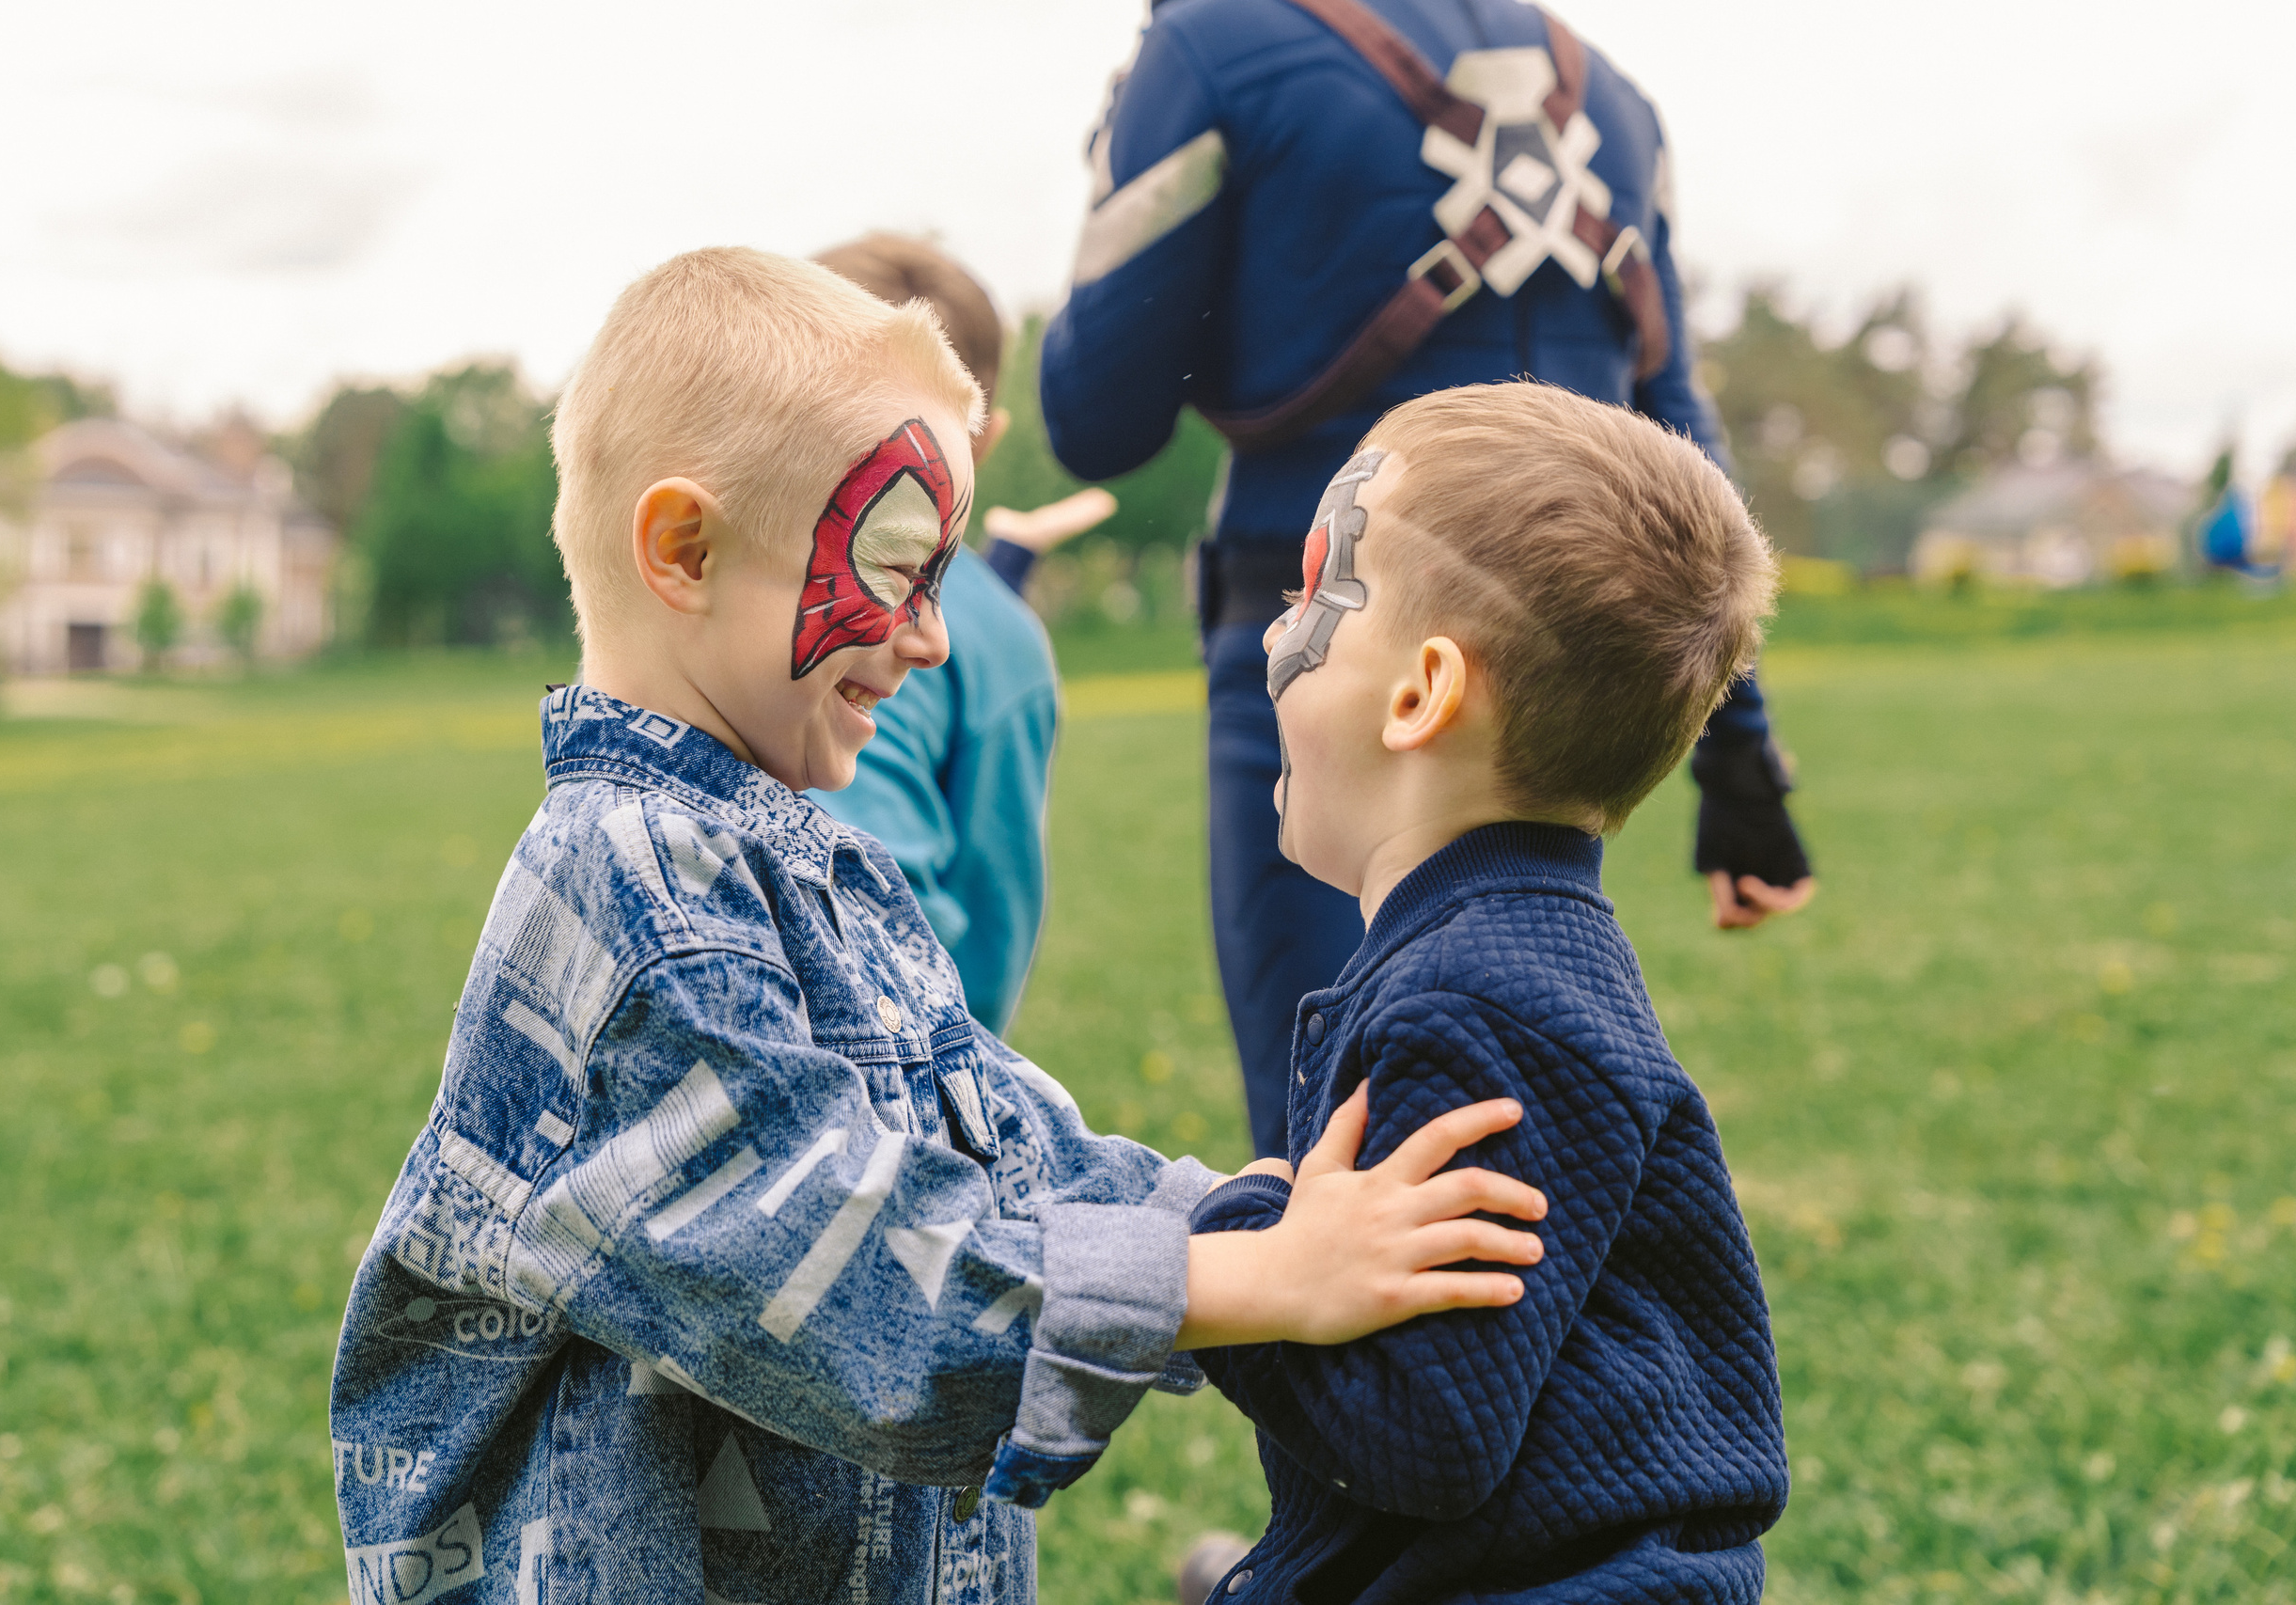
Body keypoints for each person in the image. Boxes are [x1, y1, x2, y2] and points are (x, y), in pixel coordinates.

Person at [326, 247, 1552, 1604]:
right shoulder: (629, 896)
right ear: (684, 549)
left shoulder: (810, 862)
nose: (931, 637)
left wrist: (1260, 1211)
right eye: (897, 567)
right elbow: (847, 1283)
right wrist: (1248, 1278)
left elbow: (1001, 1142)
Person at [1040, 0, 1816, 1159]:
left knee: (1341, 1157)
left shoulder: (1209, 44)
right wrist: (1742, 761)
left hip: (1333, 658)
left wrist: (1125, 156)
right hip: (1579, 690)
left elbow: (1097, 421)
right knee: (1529, 1120)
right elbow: (1678, 464)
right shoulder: (1607, 93)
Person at [1185, 383, 1788, 1604]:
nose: (1269, 636)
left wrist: (1230, 1251)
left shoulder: (1471, 1007)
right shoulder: (1512, 951)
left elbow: (1423, 1429)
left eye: (1318, 598)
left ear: (1421, 693)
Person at [807, 234, 1117, 1034]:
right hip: (903, 1048)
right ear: (986, 436)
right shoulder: (999, 644)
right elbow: (992, 922)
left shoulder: (722, 586)